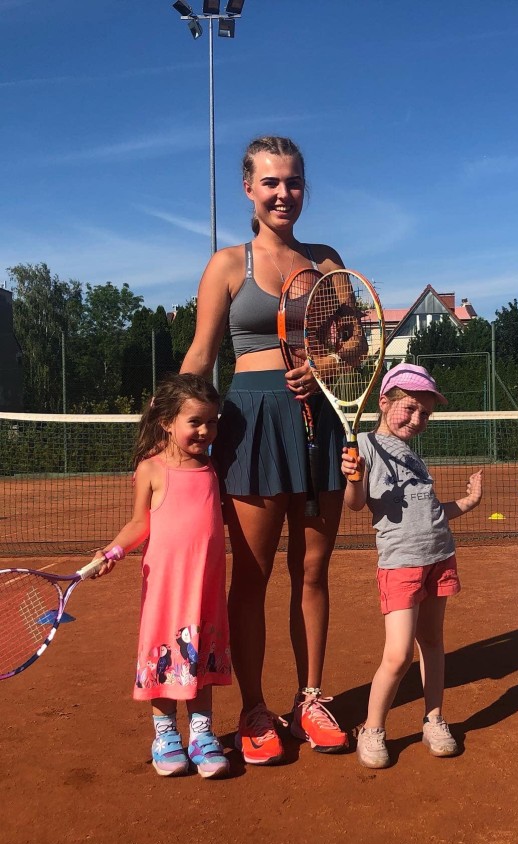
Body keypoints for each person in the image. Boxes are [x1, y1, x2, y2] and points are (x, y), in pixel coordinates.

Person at [180, 135, 352, 765]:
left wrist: (322, 364)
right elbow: (202, 356)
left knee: (312, 572)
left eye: (294, 181)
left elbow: (354, 347)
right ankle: (254, 708)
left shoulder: (328, 261)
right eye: (271, 182)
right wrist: (167, 432)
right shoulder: (228, 265)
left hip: (319, 423)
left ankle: (311, 699)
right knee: (250, 579)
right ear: (249, 189)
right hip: (249, 427)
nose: (284, 194)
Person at [341, 363, 484, 768]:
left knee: (433, 644)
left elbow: (432, 512)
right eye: (410, 408)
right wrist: (354, 478)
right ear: (384, 402)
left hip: (439, 556)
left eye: (425, 413)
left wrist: (468, 503)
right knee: (399, 654)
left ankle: (434, 719)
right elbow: (355, 504)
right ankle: (372, 729)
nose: (418, 418)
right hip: (401, 564)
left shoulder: (413, 456)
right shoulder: (365, 445)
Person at [94, 373, 231, 778]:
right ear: (167, 423)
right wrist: (113, 551)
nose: (205, 431)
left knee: (200, 655)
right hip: (166, 589)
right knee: (165, 656)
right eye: (195, 422)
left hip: (205, 586)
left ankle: (201, 735)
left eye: (212, 422)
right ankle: (166, 735)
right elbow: (140, 523)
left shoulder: (212, 467)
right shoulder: (151, 469)